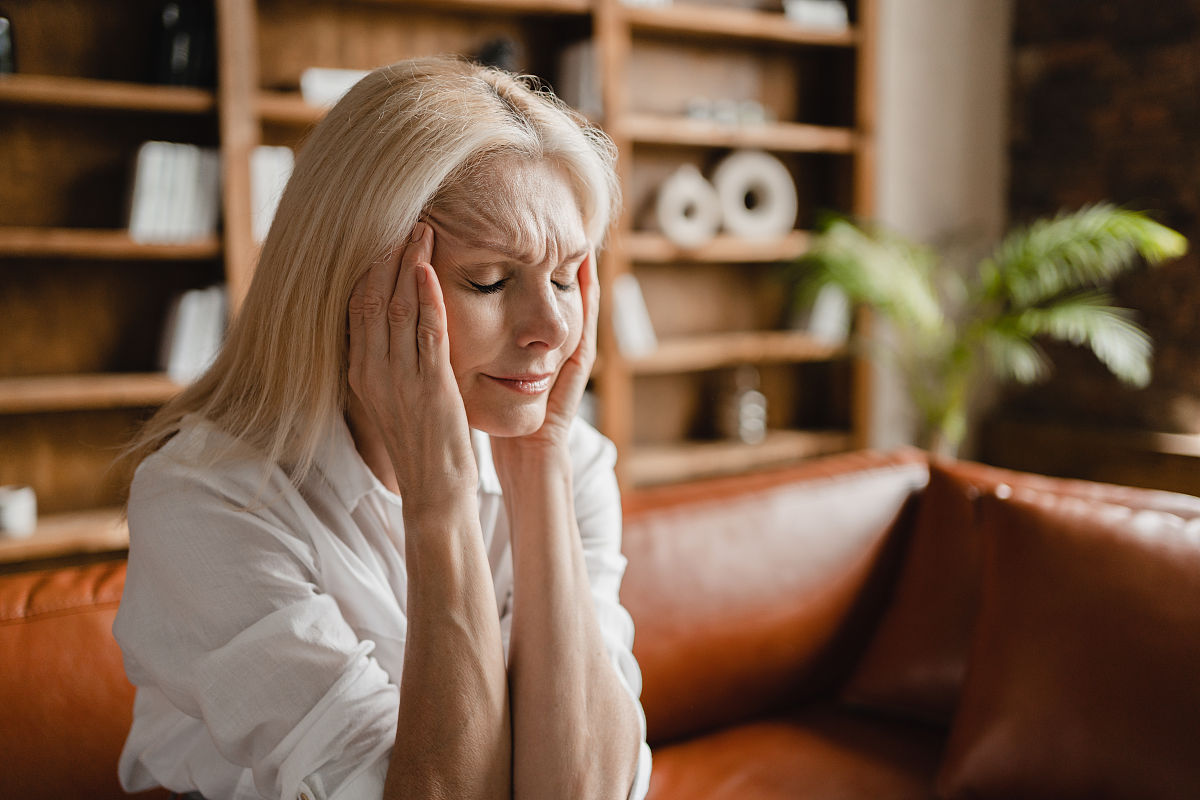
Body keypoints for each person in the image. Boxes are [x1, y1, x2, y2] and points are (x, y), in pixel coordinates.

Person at [113, 56, 651, 800]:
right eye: (490, 280)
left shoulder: (572, 460)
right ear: (358, 292)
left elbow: (582, 789)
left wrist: (540, 462)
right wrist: (439, 504)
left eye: (565, 277)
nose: (554, 328)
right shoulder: (204, 504)